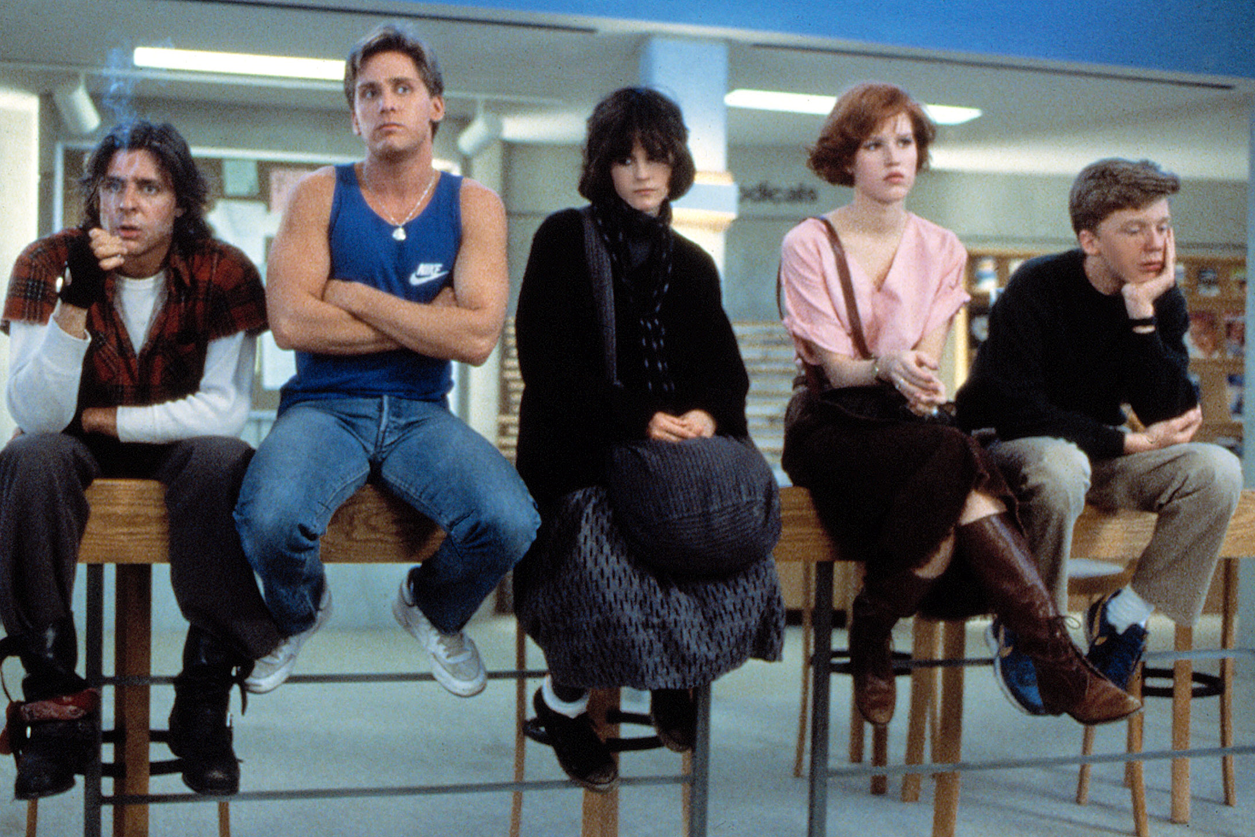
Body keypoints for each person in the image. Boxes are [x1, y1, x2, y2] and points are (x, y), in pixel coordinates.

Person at [778, 82, 1140, 730]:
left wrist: (912, 379)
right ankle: (1053, 660)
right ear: (846, 157)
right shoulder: (807, 242)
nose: (895, 156)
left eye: (905, 141)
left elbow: (925, 365)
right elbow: (834, 371)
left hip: (908, 427)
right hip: (832, 424)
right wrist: (886, 366)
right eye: (874, 144)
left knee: (952, 481)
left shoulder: (942, 247)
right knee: (959, 463)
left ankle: (880, 629)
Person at [233, 23, 538, 701]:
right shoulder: (318, 194)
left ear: (435, 105)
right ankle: (298, 612)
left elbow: (476, 339)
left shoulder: (474, 205)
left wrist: (354, 296)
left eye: (402, 88)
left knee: (510, 521)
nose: (386, 103)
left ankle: (430, 607)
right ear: (354, 115)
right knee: (270, 521)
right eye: (369, 93)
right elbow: (291, 324)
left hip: (421, 413)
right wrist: (427, 321)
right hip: (323, 407)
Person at [513, 87, 785, 791]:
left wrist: (707, 415)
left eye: (655, 157)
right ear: (603, 165)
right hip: (582, 457)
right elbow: (545, 364)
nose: (641, 173)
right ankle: (560, 704)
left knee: (726, 543)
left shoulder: (691, 262)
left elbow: (724, 373)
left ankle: (676, 676)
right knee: (602, 551)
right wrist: (635, 416)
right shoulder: (562, 238)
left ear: (675, 165)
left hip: (668, 463)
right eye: (625, 158)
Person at [0, 120, 279, 797]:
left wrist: (108, 418)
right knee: (30, 458)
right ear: (95, 194)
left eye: (149, 188)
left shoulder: (222, 270)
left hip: (176, 448)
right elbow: (36, 415)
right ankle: (55, 702)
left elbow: (223, 411)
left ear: (180, 203)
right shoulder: (48, 261)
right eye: (113, 185)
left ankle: (202, 702)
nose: (126, 203)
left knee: (224, 458)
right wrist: (75, 302)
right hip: (70, 446)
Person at [955, 158, 1242, 713]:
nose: (1155, 243)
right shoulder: (1037, 285)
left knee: (1217, 470)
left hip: (1095, 456)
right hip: (1012, 448)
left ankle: (1123, 616)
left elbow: (1172, 413)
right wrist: (1130, 443)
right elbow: (1017, 409)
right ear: (1090, 240)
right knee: (1061, 464)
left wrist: (1142, 317)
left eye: (1162, 226)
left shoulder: (1159, 299)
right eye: (1134, 229)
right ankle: (1030, 629)